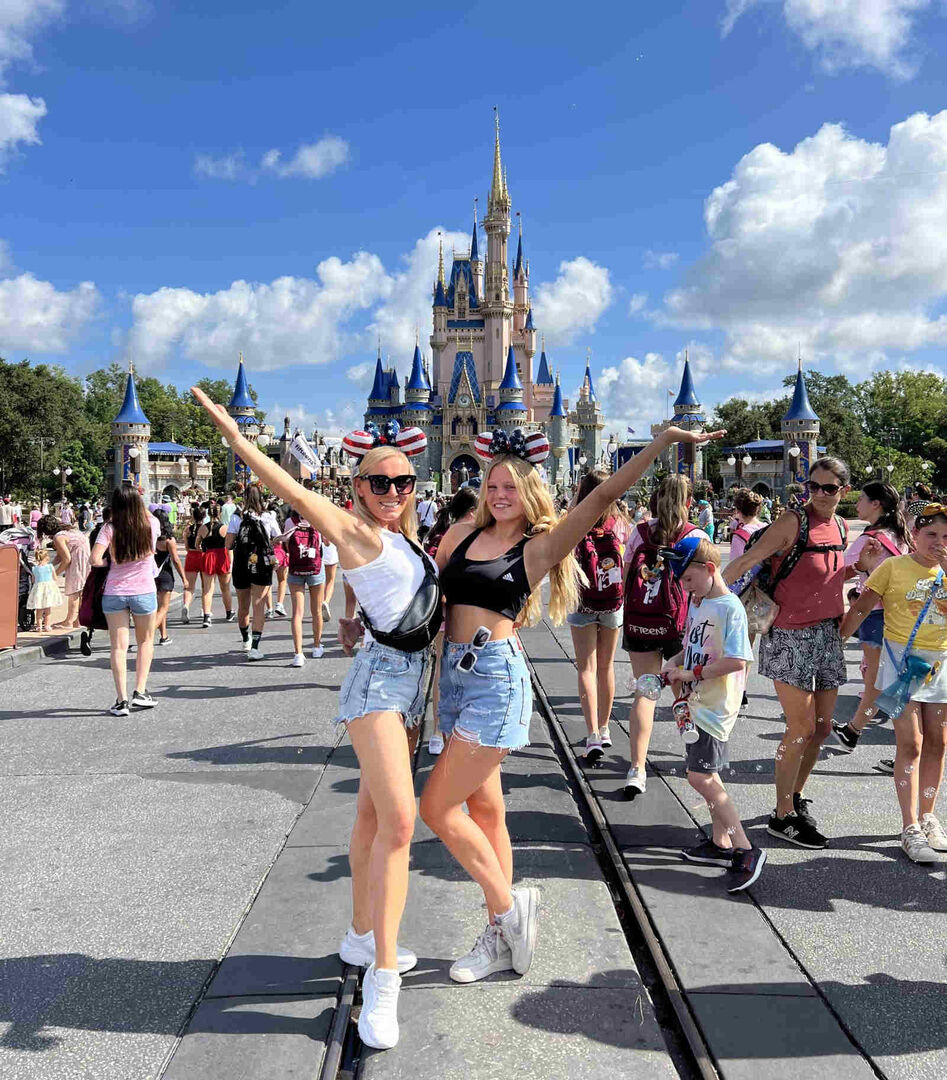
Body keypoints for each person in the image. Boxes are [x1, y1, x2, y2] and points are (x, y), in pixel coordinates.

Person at [421, 423, 723, 988]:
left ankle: (509, 910)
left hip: (495, 680)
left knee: (437, 810)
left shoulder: (537, 546)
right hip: (455, 681)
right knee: (486, 814)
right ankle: (499, 933)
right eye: (493, 486)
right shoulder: (458, 537)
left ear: (531, 491)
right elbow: (431, 602)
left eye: (511, 487)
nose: (500, 495)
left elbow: (603, 497)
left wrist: (660, 443)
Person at [193, 386, 434, 1050]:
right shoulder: (356, 531)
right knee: (399, 823)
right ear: (356, 487)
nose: (392, 489)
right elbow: (298, 496)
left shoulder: (405, 541)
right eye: (379, 481)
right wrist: (239, 443)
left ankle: (361, 936)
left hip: (413, 685)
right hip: (379, 687)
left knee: (369, 816)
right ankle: (384, 975)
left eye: (402, 480)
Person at [724, 458, 851, 849]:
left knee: (824, 727)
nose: (819, 494)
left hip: (828, 633)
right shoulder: (792, 522)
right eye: (813, 486)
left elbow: (821, 575)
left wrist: (854, 572)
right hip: (790, 636)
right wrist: (704, 597)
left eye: (828, 488)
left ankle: (794, 797)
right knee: (801, 727)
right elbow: (747, 560)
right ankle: (781, 816)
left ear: (844, 491)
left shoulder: (842, 526)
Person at [839, 502, 947, 863]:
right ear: (914, 534)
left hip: (941, 667)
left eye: (945, 536)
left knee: (938, 741)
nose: (938, 542)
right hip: (900, 666)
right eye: (931, 534)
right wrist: (838, 638)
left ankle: (929, 815)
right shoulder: (893, 567)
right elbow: (861, 606)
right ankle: (909, 826)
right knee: (911, 743)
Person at [660, 537, 765, 891]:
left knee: (700, 777)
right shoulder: (700, 601)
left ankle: (745, 849)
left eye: (688, 579)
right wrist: (673, 664)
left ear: (709, 569)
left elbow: (737, 660)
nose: (684, 586)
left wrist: (690, 675)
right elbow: (693, 645)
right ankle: (721, 842)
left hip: (715, 706)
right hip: (697, 702)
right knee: (709, 774)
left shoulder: (729, 608)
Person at [622, 474, 711, 799]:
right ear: (689, 502)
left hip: (642, 620)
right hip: (680, 626)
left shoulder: (641, 531)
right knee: (685, 696)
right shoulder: (695, 536)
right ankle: (697, 765)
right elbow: (708, 585)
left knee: (645, 693)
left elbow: (626, 569)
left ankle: (637, 769)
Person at [833, 482, 912, 754]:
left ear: (876, 504)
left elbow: (836, 572)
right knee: (888, 680)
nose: (857, 505)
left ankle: (856, 732)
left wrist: (859, 569)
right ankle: (854, 730)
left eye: (862, 499)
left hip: (875, 615)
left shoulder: (872, 539)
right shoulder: (900, 535)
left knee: (877, 682)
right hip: (900, 615)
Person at [568, 470, 625, 763]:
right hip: (613, 603)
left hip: (582, 601)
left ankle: (592, 736)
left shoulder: (576, 519)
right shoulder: (621, 523)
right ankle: (605, 729)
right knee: (607, 666)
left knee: (586, 669)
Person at [90, 486, 159, 716]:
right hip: (144, 590)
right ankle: (140, 691)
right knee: (145, 642)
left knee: (118, 647)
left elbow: (94, 559)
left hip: (115, 592)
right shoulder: (150, 526)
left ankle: (122, 701)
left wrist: (111, 564)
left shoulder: (109, 528)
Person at [422, 486, 479, 756]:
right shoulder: (469, 536)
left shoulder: (437, 534)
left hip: (442, 615)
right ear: (471, 511)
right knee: (466, 673)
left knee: (441, 672)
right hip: (461, 614)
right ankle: (454, 731)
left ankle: (437, 731)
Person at [226, 484, 281, 659]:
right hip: (262, 564)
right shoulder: (268, 516)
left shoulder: (237, 517)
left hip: (242, 563)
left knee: (243, 606)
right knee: (259, 605)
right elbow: (278, 539)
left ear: (244, 498)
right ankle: (255, 647)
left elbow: (228, 544)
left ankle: (245, 639)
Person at [729, 488, 767, 714]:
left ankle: (739, 689)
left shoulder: (741, 535)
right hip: (765, 592)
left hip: (744, 594)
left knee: (741, 644)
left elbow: (736, 567)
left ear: (738, 510)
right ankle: (742, 686)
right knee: (751, 643)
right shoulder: (766, 529)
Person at [285, 509, 326, 667]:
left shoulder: (290, 522)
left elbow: (288, 545)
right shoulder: (318, 519)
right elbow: (327, 542)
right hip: (315, 567)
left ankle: (298, 654)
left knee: (297, 613)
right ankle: (316, 646)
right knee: (316, 610)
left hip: (296, 568)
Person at [36, 515, 91, 632]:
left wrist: (53, 574)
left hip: (78, 561)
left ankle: (69, 621)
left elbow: (66, 559)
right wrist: (48, 564)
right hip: (85, 559)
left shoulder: (58, 537)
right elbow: (60, 556)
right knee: (81, 591)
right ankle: (78, 620)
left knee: (74, 591)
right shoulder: (67, 531)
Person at [197, 503, 234, 628]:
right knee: (225, 588)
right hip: (222, 557)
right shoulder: (225, 528)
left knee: (207, 589)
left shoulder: (203, 528)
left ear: (208, 513)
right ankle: (229, 612)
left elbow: (197, 545)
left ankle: (207, 616)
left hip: (209, 556)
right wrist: (231, 562)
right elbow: (229, 547)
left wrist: (203, 551)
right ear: (220, 513)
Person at [153, 509, 186, 646]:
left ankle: (164, 636)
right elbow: (176, 560)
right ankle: (147, 633)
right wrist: (184, 578)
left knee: (158, 608)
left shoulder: (149, 537)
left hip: (151, 574)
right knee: (163, 608)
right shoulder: (168, 540)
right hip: (165, 575)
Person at [27, 547, 63, 633]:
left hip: (38, 589)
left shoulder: (34, 568)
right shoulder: (50, 567)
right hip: (48, 590)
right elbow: (54, 578)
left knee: (39, 610)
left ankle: (39, 627)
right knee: (48, 610)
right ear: (47, 557)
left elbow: (33, 580)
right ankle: (47, 626)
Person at [181, 504, 205, 624]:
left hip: (191, 555)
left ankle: (186, 605)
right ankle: (204, 608)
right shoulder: (205, 529)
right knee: (206, 586)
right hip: (203, 556)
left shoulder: (187, 529)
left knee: (189, 587)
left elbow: (186, 546)